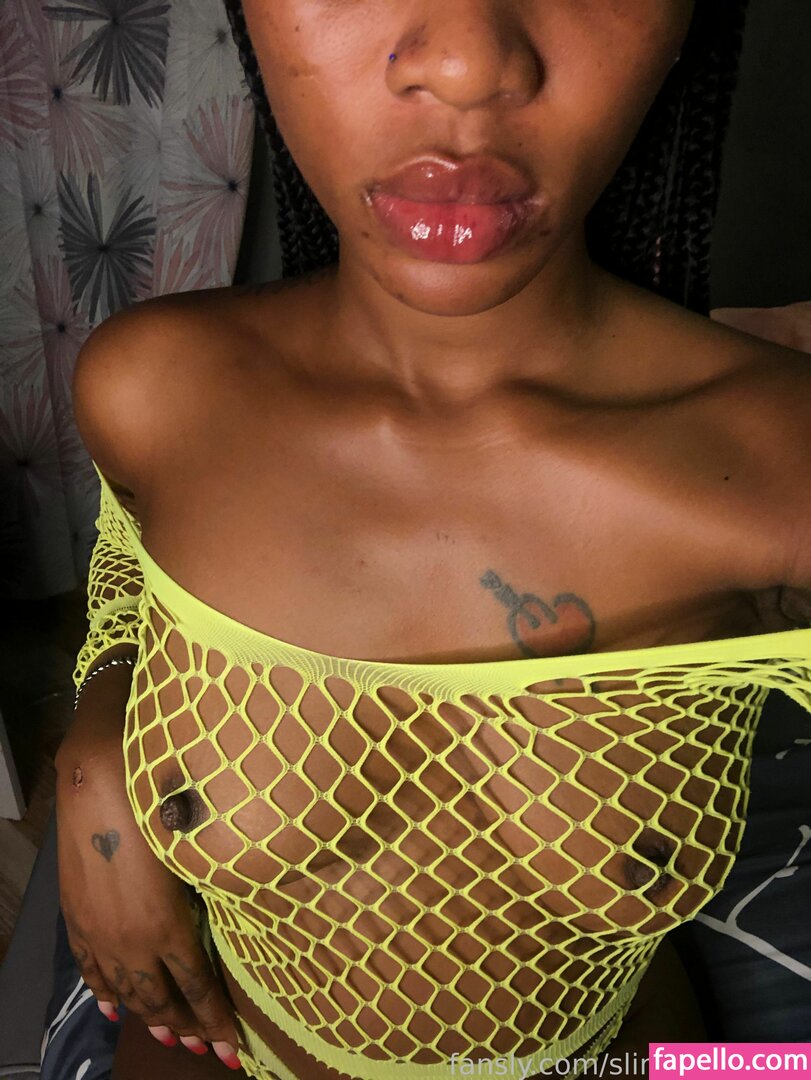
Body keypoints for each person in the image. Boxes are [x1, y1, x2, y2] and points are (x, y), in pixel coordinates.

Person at [53, 1, 811, 1078]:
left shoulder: (782, 467)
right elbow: (128, 573)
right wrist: (92, 760)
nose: (463, 64)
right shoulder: (153, 387)